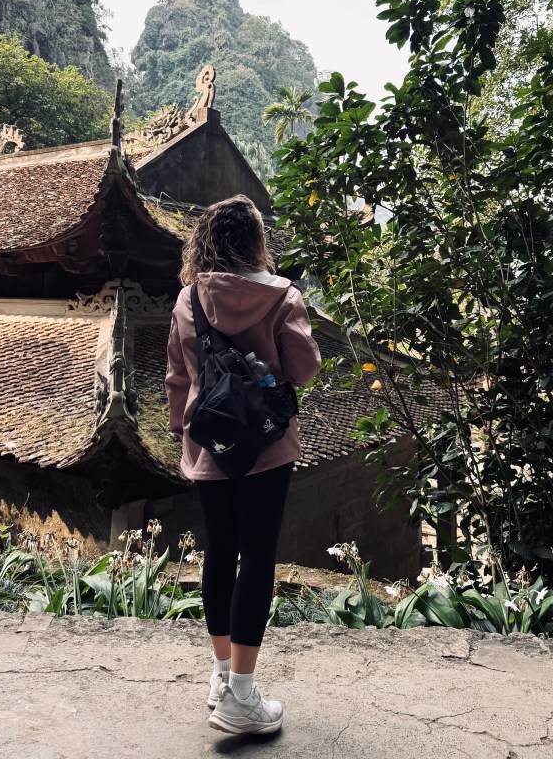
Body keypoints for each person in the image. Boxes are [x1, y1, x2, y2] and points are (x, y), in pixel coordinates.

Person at [166, 194, 321, 735]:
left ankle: (221, 675)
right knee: (257, 557)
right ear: (255, 242)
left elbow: (177, 377)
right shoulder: (282, 296)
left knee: (219, 553)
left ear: (205, 241)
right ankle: (243, 697)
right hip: (267, 446)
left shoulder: (187, 300)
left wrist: (183, 432)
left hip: (209, 444)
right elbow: (303, 369)